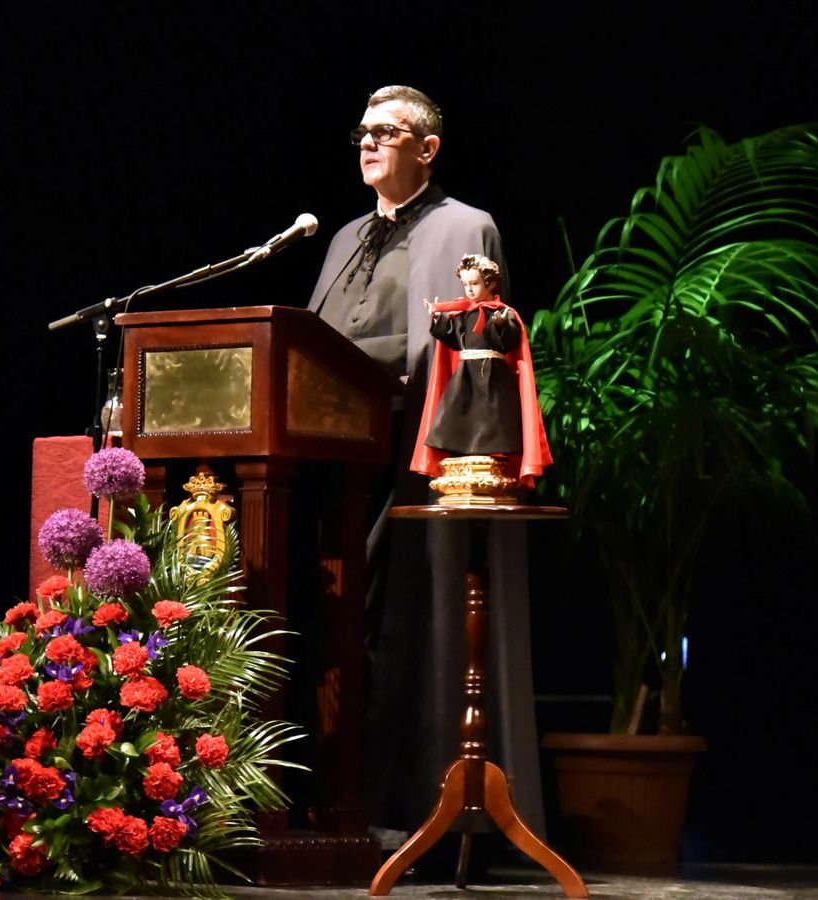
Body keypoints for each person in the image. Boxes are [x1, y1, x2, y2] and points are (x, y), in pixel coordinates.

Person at [307, 86, 544, 846]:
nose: (369, 143)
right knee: (335, 632)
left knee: (416, 629)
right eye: (363, 132)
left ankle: (421, 815)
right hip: (330, 466)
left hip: (417, 459)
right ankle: (331, 807)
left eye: (387, 132)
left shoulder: (464, 226)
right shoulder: (343, 236)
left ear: (427, 149)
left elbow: (476, 354)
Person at [411, 254, 551, 488]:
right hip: (466, 376)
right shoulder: (464, 314)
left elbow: (506, 341)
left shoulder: (502, 313)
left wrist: (500, 324)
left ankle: (490, 455)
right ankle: (463, 453)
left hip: (492, 378)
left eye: (474, 284)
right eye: (466, 285)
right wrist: (438, 321)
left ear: (491, 283)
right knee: (460, 414)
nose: (469, 290)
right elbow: (453, 338)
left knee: (489, 418)